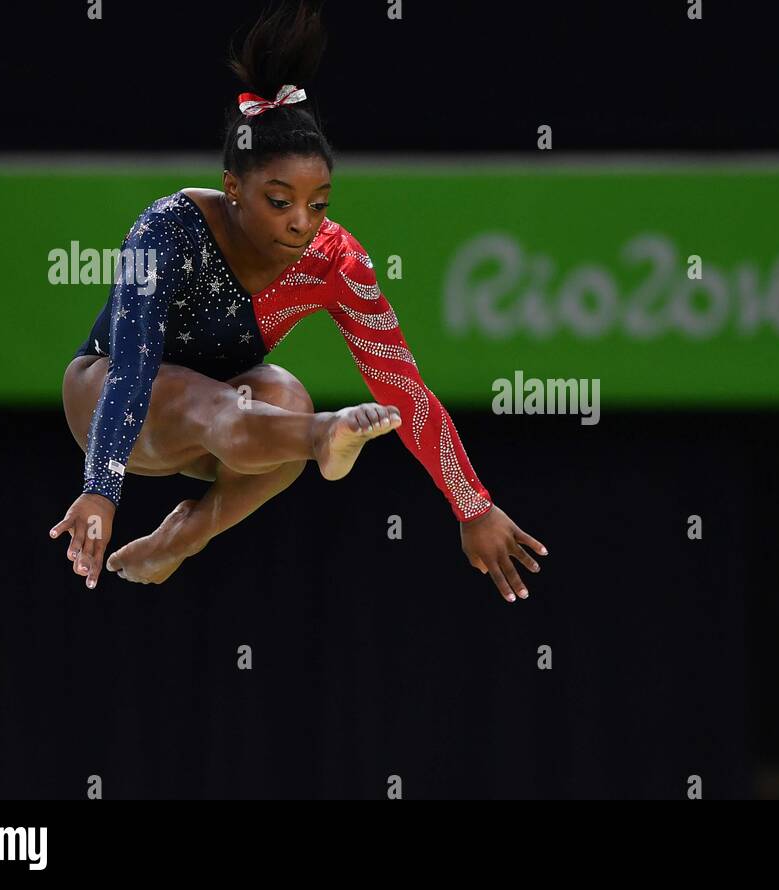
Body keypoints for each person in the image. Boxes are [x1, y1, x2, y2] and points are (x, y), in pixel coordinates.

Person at [50, 0, 545, 603]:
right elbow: (133, 364)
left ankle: (181, 538)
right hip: (109, 402)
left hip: (224, 424)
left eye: (319, 204)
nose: (301, 225)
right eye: (280, 201)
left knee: (284, 396)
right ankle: (320, 435)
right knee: (247, 412)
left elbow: (403, 389)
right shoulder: (169, 229)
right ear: (233, 188)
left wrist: (472, 506)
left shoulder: (335, 259)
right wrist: (102, 485)